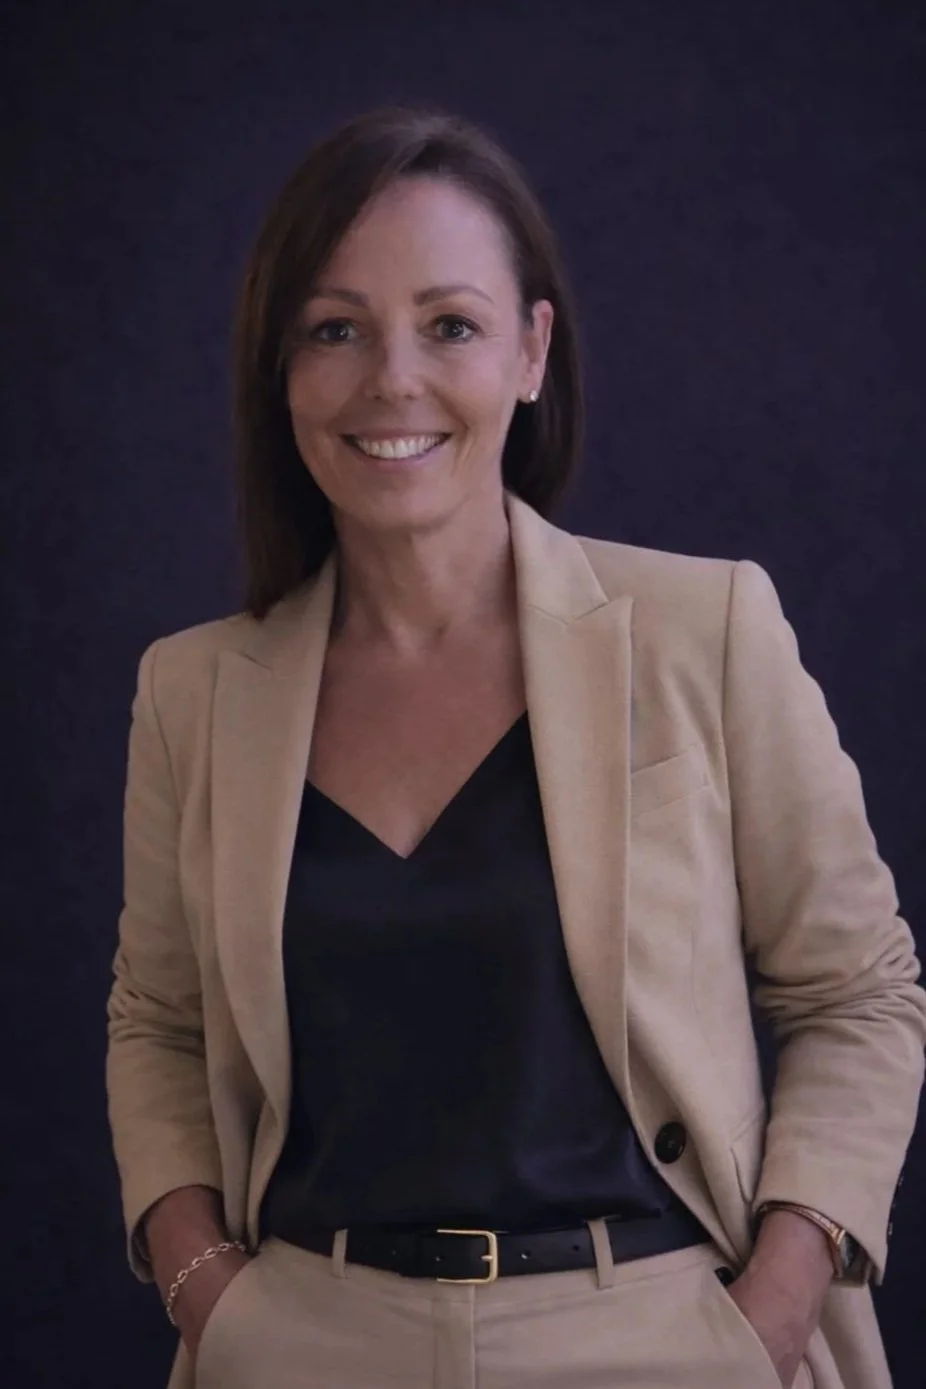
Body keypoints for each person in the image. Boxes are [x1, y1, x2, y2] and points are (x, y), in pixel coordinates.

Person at [106, 105, 926, 1389]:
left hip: (659, 1339)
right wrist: (202, 1282)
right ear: (280, 369)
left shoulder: (700, 629)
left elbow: (855, 990)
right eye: (335, 329)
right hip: (302, 1344)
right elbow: (156, 1019)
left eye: (449, 325)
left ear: (530, 351)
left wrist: (775, 1294)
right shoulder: (194, 690)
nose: (392, 379)